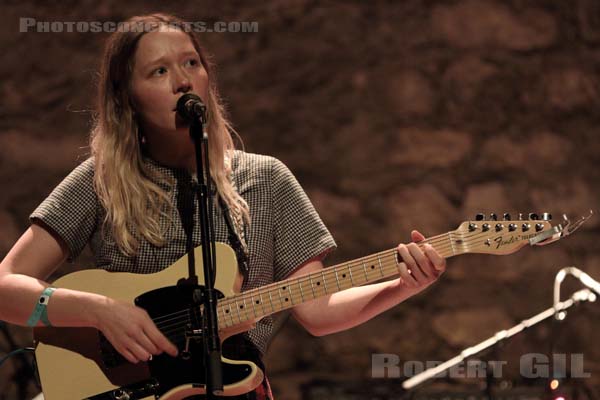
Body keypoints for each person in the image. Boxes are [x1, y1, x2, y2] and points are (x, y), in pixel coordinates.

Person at [0, 13, 446, 400]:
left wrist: (401, 285)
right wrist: (99, 310)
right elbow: (5, 286)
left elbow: (318, 310)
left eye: (191, 63)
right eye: (158, 71)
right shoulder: (100, 182)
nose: (182, 80)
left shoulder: (266, 178)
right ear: (128, 98)